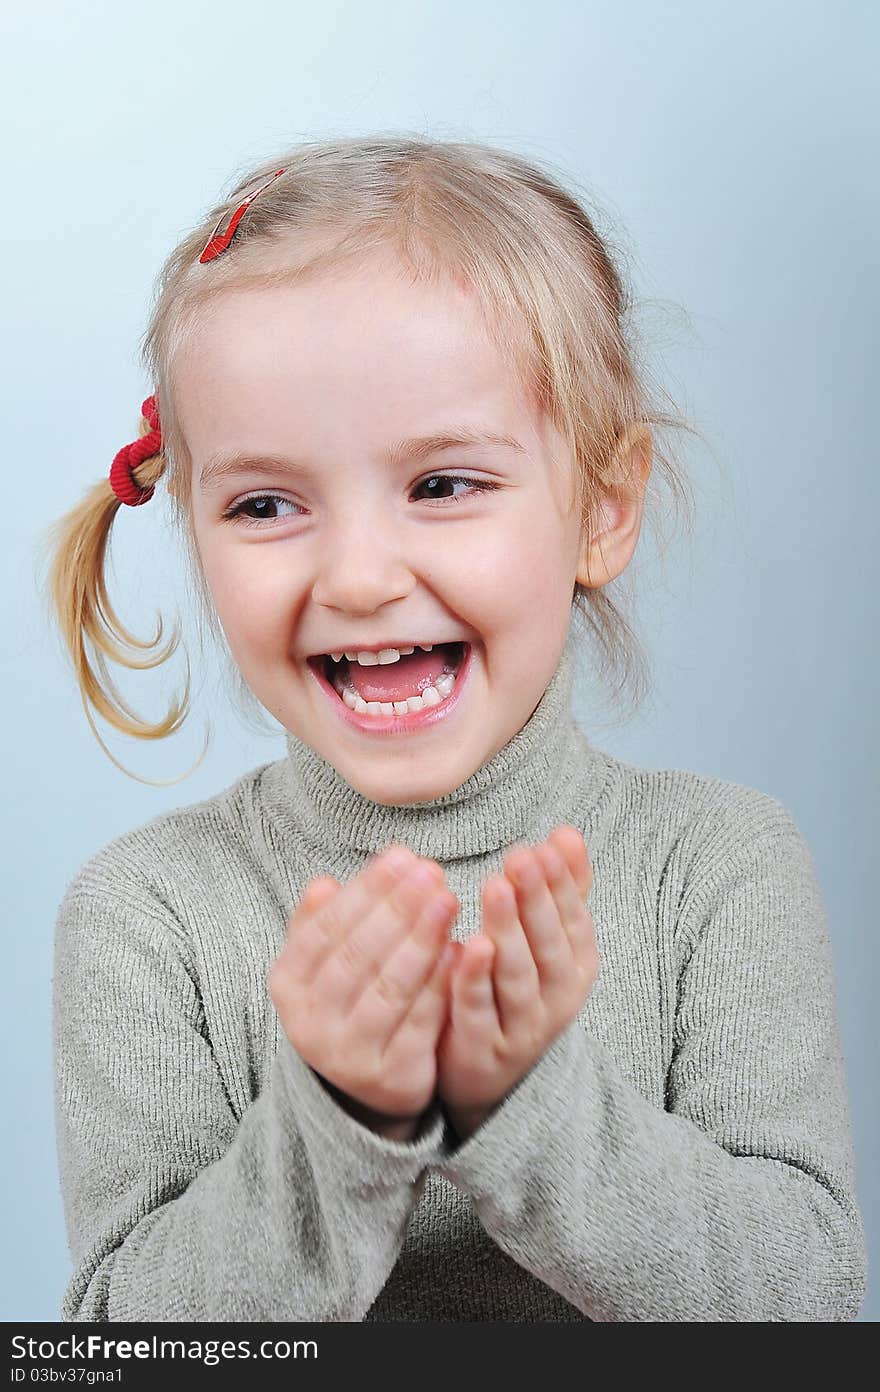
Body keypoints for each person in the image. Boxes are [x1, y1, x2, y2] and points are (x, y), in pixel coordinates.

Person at [42, 134, 867, 1322]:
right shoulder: (152, 917)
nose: (362, 576)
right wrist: (340, 1119)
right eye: (266, 504)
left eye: (441, 484)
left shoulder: (716, 865)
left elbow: (810, 1301)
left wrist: (528, 1108)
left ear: (604, 506)